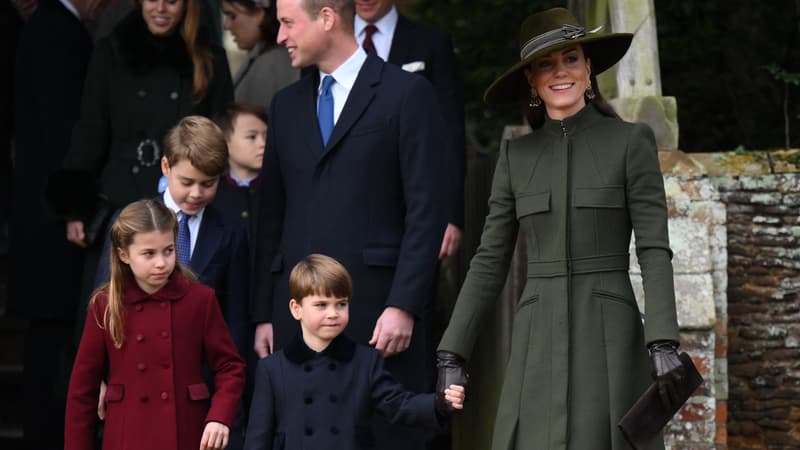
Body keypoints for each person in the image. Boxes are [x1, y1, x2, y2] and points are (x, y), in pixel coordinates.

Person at [435, 8, 684, 450]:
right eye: (546, 64)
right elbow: (489, 260)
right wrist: (452, 353)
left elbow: (653, 248)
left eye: (571, 58)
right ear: (531, 79)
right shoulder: (517, 157)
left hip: (611, 333)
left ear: (589, 67)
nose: (560, 72)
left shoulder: (629, 143)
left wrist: (662, 341)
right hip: (537, 337)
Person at [251, 0, 446, 448]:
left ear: (326, 18)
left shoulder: (406, 94)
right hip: (296, 319)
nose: (280, 37)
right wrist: (264, 313)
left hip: (378, 314)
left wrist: (405, 304)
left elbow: (425, 213)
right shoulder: (284, 106)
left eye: (287, 23)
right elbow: (269, 219)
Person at [65, 199, 245, 450]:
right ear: (123, 254)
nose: (161, 263)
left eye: (168, 250)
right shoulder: (105, 305)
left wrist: (220, 417)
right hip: (127, 437)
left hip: (187, 434)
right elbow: (82, 392)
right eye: (149, 254)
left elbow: (230, 366)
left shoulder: (200, 300)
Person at [10, 1, 109, 448]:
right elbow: (64, 133)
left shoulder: (51, 29)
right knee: (51, 348)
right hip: (53, 219)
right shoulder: (58, 34)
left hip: (44, 213)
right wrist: (74, 206)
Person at [244, 254, 465, 450]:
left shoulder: (365, 362)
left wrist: (438, 403)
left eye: (341, 304)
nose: (333, 313)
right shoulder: (272, 369)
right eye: (321, 305)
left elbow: (399, 404)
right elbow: (258, 439)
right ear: (296, 308)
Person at [354, 0, 465, 260]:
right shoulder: (327, 43)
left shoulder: (432, 43)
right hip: (347, 206)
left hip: (415, 211)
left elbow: (449, 133)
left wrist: (451, 215)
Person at [222, 0, 298, 108]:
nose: (227, 25)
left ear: (259, 14)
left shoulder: (272, 64)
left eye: (233, 16)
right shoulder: (267, 58)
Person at [212, 102, 268, 243]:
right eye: (252, 137)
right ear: (224, 142)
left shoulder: (279, 187)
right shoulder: (212, 192)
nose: (263, 143)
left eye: (266, 136)